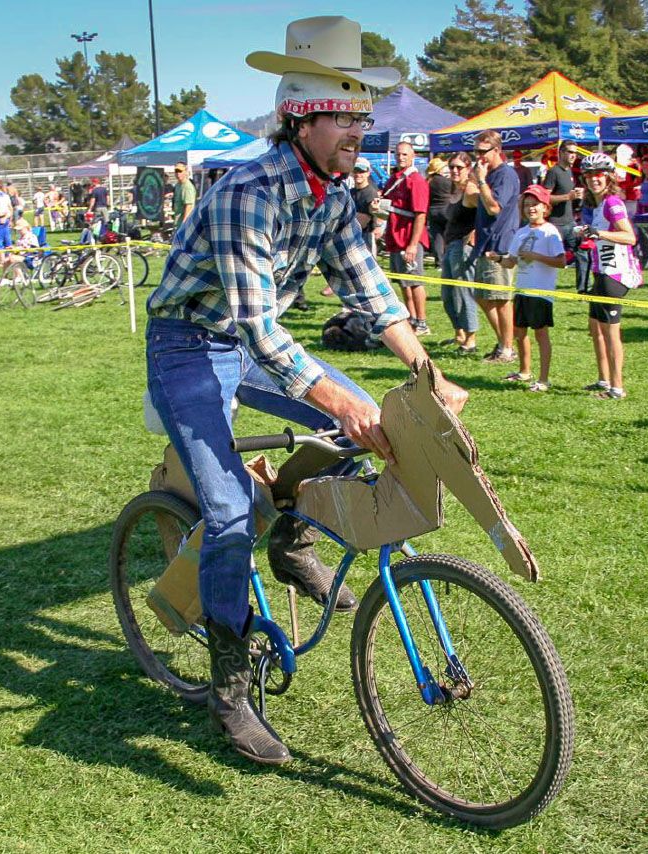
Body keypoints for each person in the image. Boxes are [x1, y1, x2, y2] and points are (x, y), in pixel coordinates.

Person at [147, 14, 469, 766]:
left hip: (254, 344)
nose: (359, 125)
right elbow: (260, 331)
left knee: (371, 424)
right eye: (342, 111)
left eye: (363, 110)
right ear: (299, 118)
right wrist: (342, 401)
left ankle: (291, 539)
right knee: (229, 514)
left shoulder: (331, 197)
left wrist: (428, 376)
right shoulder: (248, 194)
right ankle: (228, 690)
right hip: (191, 345)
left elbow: (373, 292)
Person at [579, 153, 641, 399]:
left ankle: (617, 387)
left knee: (611, 333)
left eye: (598, 174)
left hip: (613, 274)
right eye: (589, 175)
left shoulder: (613, 202)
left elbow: (629, 237)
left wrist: (600, 235)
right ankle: (604, 379)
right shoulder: (597, 205)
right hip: (600, 272)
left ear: (608, 177)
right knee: (596, 329)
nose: (594, 179)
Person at [500, 185, 564, 391]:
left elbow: (561, 261)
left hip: (541, 292)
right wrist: (497, 258)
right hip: (522, 289)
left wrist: (536, 256)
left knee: (540, 334)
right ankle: (524, 371)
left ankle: (544, 379)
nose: (530, 209)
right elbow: (511, 261)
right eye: (526, 205)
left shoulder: (550, 232)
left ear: (545, 207)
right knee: (520, 331)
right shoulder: (521, 232)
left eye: (535, 204)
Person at [468, 129, 522, 362]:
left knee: (500, 299)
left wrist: (480, 180)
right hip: (484, 241)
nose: (478, 156)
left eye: (482, 151)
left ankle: (507, 348)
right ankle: (503, 342)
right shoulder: (490, 174)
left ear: (497, 150)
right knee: (481, 295)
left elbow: (494, 208)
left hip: (501, 245)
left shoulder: (504, 175)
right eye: (475, 151)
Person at [383, 140, 431, 335]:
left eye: (405, 154)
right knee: (403, 282)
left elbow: (421, 214)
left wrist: (413, 244)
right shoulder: (394, 178)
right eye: (398, 154)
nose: (401, 158)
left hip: (409, 238)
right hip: (395, 238)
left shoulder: (416, 180)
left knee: (414, 280)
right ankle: (411, 318)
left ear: (413, 156)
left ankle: (422, 321)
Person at [441, 152, 481, 354]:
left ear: (468, 168)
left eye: (459, 167)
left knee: (464, 293)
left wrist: (475, 233)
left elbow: (489, 211)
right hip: (451, 246)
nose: (455, 170)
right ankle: (460, 333)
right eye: (452, 167)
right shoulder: (454, 189)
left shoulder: (471, 189)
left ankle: (471, 339)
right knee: (448, 295)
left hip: (463, 248)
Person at [542, 141, 589, 294]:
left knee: (582, 253)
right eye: (569, 152)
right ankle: (543, 287)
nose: (573, 155)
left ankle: (582, 290)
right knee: (548, 258)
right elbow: (545, 198)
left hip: (569, 222)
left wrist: (577, 196)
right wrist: (567, 196)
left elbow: (568, 197)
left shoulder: (569, 172)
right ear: (561, 152)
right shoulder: (553, 172)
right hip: (555, 223)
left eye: (575, 153)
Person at [425, 156, 453, 269]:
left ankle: (439, 263)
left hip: (432, 212)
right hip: (446, 210)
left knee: (437, 238)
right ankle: (448, 260)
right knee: (449, 236)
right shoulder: (447, 182)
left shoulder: (427, 182)